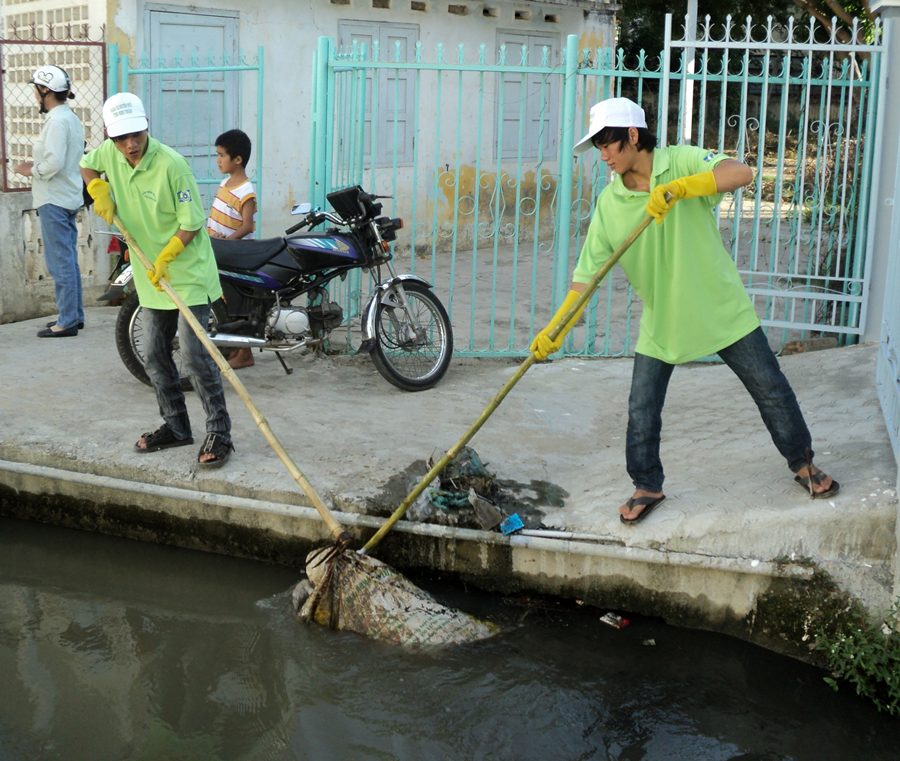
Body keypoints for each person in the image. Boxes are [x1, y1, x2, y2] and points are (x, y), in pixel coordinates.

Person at [530, 96, 838, 525]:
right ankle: (647, 485)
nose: (602, 156)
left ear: (632, 136)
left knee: (770, 388)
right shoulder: (609, 205)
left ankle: (803, 464)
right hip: (664, 319)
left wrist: (681, 188)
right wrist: (555, 330)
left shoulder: (681, 161)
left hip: (721, 308)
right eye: (597, 146)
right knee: (642, 408)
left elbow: (740, 172)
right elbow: (587, 277)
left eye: (607, 144)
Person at [81, 92, 234, 468]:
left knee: (197, 357)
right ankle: (177, 426)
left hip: (186, 270)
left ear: (147, 126)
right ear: (111, 137)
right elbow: (87, 165)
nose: (130, 144)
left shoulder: (172, 165)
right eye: (121, 138)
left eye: (136, 134)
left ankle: (220, 432)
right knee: (152, 352)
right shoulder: (109, 153)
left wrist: (167, 255)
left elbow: (192, 223)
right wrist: (96, 187)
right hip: (151, 273)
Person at [15, 65, 85, 338]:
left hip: (54, 198)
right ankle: (74, 316)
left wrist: (31, 170)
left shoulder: (56, 121)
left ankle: (67, 321)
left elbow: (54, 161)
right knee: (68, 260)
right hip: (67, 194)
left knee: (60, 263)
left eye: (36, 90)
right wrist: (40, 164)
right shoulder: (69, 117)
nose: (35, 95)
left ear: (45, 91)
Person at [206, 128, 257, 369]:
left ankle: (244, 353)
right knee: (225, 300)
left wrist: (227, 242)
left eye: (221, 155)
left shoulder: (247, 191)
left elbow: (247, 226)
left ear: (238, 160)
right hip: (219, 250)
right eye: (217, 155)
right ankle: (237, 350)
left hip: (234, 253)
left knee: (237, 303)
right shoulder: (225, 183)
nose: (218, 160)